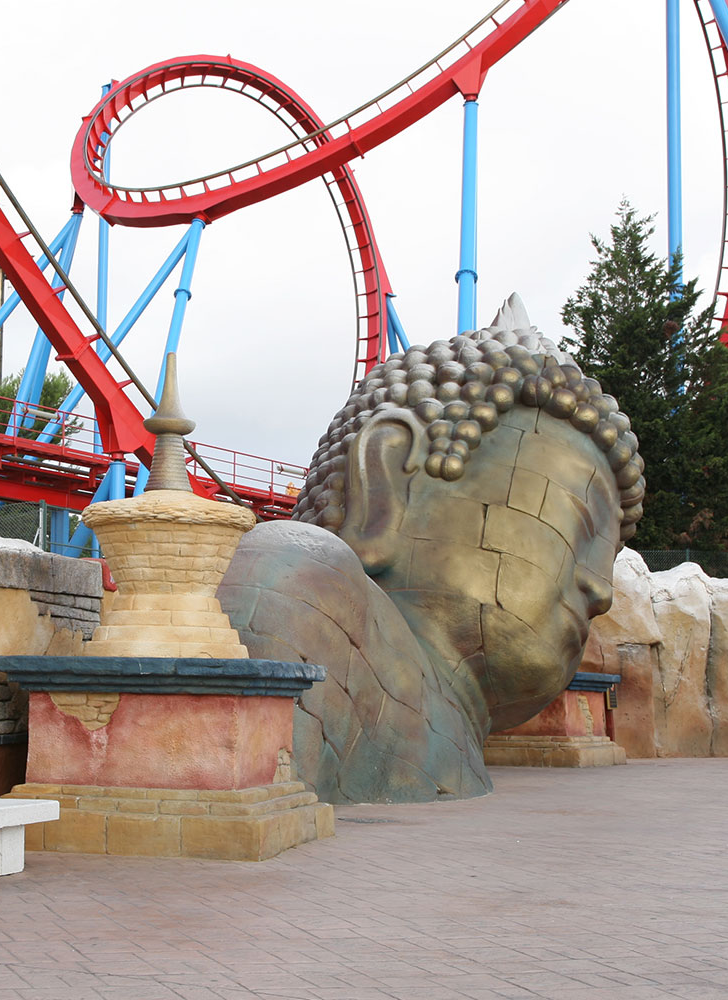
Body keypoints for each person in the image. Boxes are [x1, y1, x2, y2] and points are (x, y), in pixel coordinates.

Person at [218, 296, 644, 803]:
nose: (602, 590)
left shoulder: (449, 723)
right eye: (580, 524)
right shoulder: (296, 583)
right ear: (385, 489)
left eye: (609, 553)